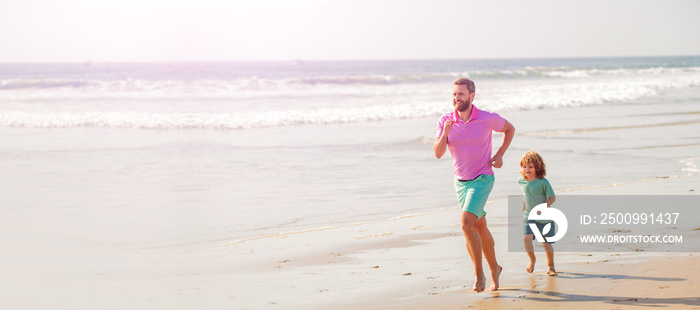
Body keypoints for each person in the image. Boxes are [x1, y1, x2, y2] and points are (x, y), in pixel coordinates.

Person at [433, 77, 515, 292]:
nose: (456, 98)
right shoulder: (445, 121)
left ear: (472, 96)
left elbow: (510, 129)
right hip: (460, 182)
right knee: (479, 226)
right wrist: (445, 134)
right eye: (453, 94)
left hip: (483, 178)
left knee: (466, 223)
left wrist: (499, 154)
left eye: (460, 94)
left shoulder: (487, 118)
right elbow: (438, 153)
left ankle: (479, 275)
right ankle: (495, 268)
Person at [518, 151, 557, 276]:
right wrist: (524, 205)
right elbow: (527, 194)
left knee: (546, 243)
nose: (527, 169)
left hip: (545, 217)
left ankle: (550, 265)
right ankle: (532, 259)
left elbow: (552, 198)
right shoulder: (521, 181)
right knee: (526, 239)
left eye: (530, 167)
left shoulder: (543, 182)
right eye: (524, 166)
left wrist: (542, 207)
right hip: (529, 216)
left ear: (537, 168)